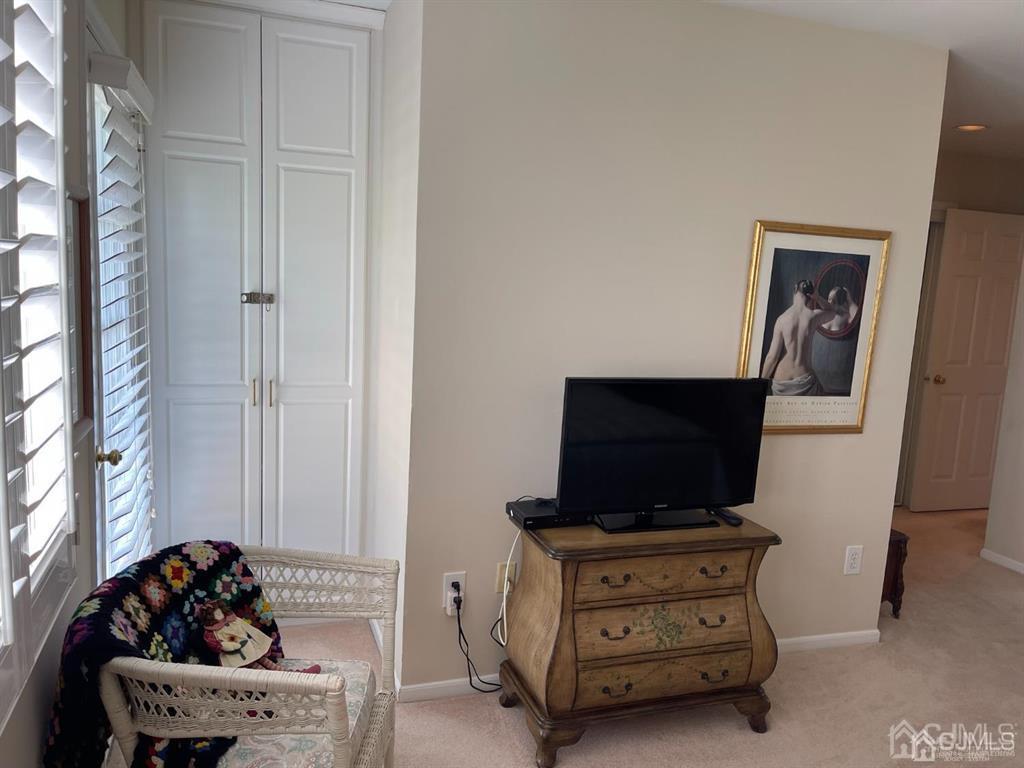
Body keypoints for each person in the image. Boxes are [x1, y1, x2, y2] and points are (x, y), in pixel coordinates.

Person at [761, 279, 837, 396]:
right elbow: (832, 311)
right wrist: (817, 297)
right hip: (804, 380)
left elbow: (772, 357)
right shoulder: (813, 316)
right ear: (810, 295)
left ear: (795, 290)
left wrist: (760, 384)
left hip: (782, 381)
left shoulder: (782, 319)